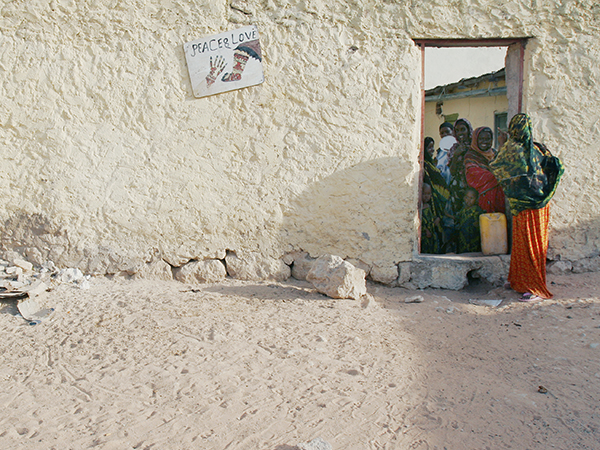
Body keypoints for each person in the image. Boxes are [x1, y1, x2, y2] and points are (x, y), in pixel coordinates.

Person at [490, 113, 564, 301]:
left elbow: (496, 166)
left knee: (529, 246)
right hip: (537, 205)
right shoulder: (535, 149)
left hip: (528, 206)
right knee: (527, 244)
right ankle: (518, 280)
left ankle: (534, 287)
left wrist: (503, 143)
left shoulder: (515, 150)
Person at [465, 126, 506, 213]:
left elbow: (504, 167)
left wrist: (502, 144)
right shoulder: (471, 157)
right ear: (475, 139)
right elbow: (479, 177)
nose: (484, 142)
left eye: (488, 139)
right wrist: (500, 174)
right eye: (481, 139)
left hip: (499, 199)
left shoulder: (494, 153)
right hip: (480, 201)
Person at [448, 118, 473, 212]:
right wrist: (456, 155)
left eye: (463, 129)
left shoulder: (475, 146)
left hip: (473, 187)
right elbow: (452, 172)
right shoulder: (454, 148)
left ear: (468, 130)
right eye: (457, 130)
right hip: (458, 188)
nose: (460, 133)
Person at [455, 187, 484, 253]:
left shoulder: (477, 210)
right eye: (467, 197)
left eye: (471, 198)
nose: (468, 200)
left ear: (476, 199)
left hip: (473, 237)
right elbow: (458, 218)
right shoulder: (463, 209)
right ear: (464, 198)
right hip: (463, 236)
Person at [421, 183, 443, 254]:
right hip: (425, 234)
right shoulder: (420, 208)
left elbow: (430, 217)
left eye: (428, 194)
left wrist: (436, 219)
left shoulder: (429, 206)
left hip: (431, 232)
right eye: (424, 194)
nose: (426, 196)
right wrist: (426, 230)